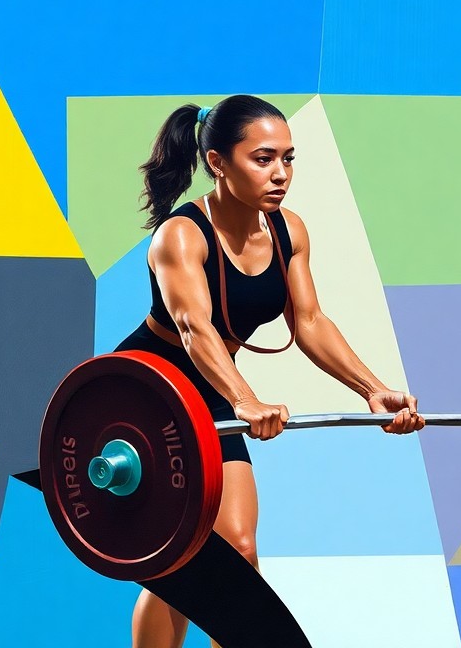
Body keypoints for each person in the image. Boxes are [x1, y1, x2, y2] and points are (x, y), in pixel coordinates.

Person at [113, 94, 425, 648]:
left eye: (289, 157)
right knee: (173, 554)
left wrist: (374, 391)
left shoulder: (288, 231)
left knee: (237, 549)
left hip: (211, 390)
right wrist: (245, 401)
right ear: (217, 162)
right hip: (146, 391)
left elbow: (309, 322)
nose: (281, 174)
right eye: (263, 159)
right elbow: (194, 330)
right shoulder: (180, 236)